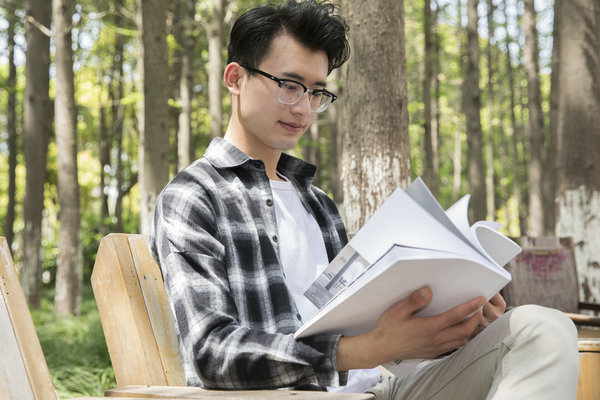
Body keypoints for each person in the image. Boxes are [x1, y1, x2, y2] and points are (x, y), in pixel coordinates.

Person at [150, 1, 580, 398]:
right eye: (289, 85)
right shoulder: (196, 197)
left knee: (541, 328)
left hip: (381, 389)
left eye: (317, 92)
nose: (302, 108)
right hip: (290, 396)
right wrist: (354, 352)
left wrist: (457, 325)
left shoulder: (317, 204)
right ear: (235, 78)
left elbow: (377, 339)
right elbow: (211, 351)